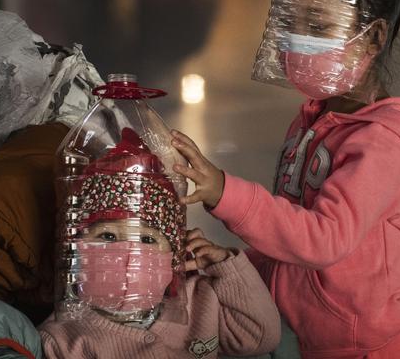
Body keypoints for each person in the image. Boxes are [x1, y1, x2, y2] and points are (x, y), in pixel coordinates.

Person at [169, 0, 400, 359]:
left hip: (365, 349)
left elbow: (323, 238)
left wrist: (224, 192)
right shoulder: (315, 118)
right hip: (303, 340)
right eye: (291, 22)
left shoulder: (383, 143)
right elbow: (291, 228)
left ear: (373, 37)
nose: (297, 40)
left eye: (319, 26)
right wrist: (238, 265)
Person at [39, 130, 281, 358]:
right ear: (77, 247)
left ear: (174, 254)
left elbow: (260, 336)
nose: (130, 255)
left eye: (147, 239)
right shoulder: (62, 337)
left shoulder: (201, 301)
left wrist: (227, 267)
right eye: (108, 236)